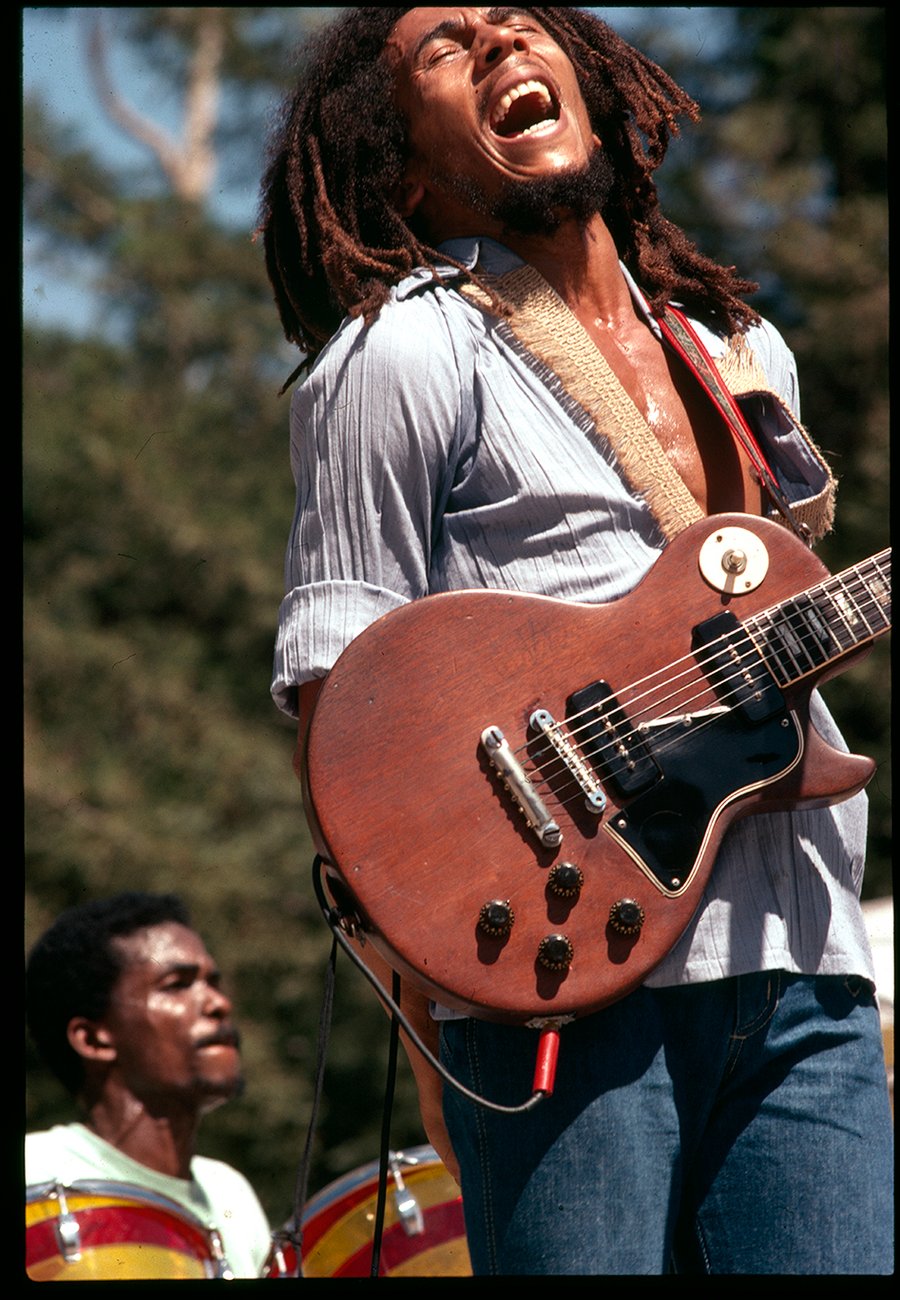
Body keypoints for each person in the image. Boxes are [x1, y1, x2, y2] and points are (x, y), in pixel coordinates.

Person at [258, 7, 893, 1275]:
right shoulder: (403, 352)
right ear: (406, 164)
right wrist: (431, 984)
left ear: (590, 87)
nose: (500, 42)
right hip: (559, 967)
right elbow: (341, 690)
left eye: (518, 21)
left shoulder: (744, 355)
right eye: (447, 47)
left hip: (807, 967)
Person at [25, 891, 272, 1279]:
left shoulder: (230, 1193)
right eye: (176, 984)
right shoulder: (36, 1168)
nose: (218, 1004)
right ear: (93, 1039)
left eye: (213, 981)